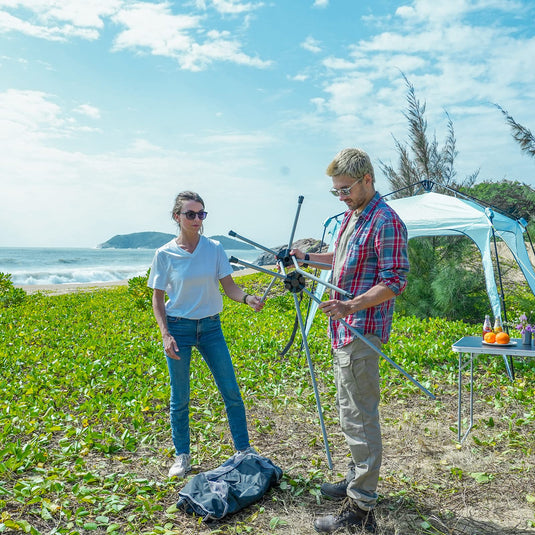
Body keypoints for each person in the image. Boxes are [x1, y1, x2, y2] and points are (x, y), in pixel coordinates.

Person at [292, 148, 409, 533]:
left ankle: (361, 509)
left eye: (345, 189)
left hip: (361, 330)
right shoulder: (352, 217)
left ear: (367, 180)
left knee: (360, 417)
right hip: (342, 330)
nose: (341, 196)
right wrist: (306, 258)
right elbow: (340, 260)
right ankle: (356, 477)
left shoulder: (385, 221)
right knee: (348, 411)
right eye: (336, 191)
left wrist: (352, 305)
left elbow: (395, 281)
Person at [148, 191, 264, 478]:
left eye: (202, 214)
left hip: (211, 328)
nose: (197, 219)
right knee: (181, 397)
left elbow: (230, 287)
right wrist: (165, 334)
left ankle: (243, 449)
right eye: (190, 214)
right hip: (179, 328)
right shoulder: (164, 254)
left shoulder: (214, 249)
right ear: (177, 217)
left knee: (231, 391)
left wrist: (247, 298)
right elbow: (158, 299)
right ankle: (182, 455)